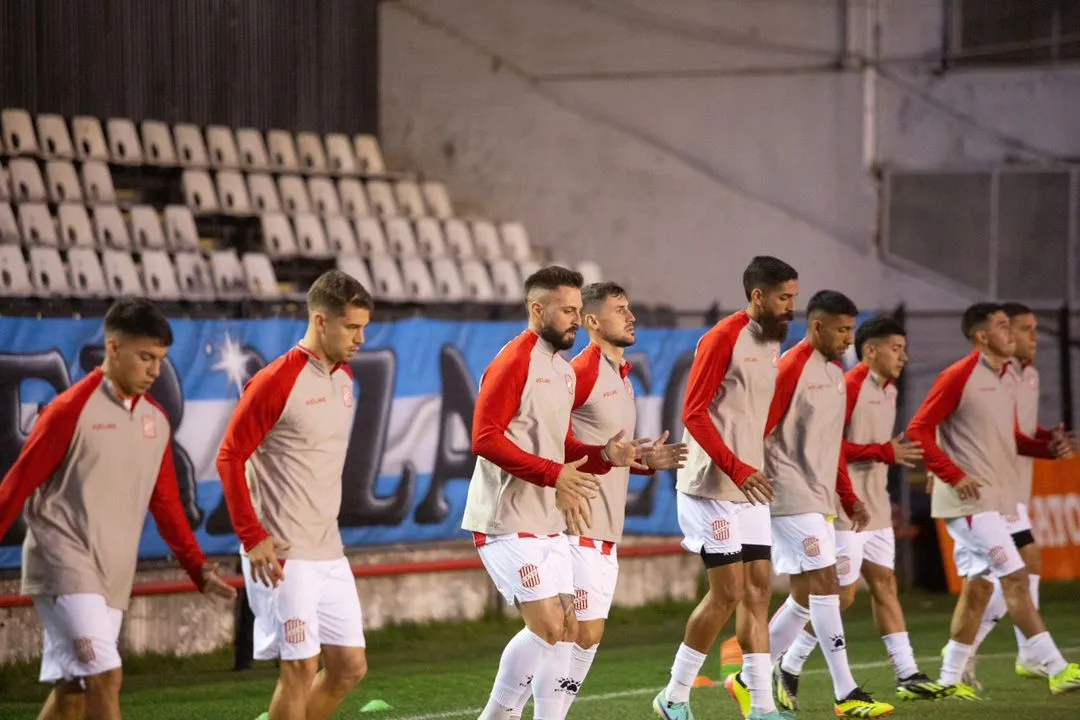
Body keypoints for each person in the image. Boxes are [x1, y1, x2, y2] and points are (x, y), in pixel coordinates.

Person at [0, 298, 235, 720]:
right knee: (106, 677)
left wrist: (197, 568)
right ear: (113, 349)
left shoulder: (156, 420)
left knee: (72, 692)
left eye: (160, 359)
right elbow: (16, 485)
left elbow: (165, 503)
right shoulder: (68, 410)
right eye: (145, 357)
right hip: (63, 564)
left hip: (112, 575)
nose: (155, 370)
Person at [463, 266, 647, 720]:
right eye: (567, 310)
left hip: (545, 519)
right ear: (537, 309)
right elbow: (485, 438)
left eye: (577, 310)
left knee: (566, 628)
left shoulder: (561, 371)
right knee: (547, 626)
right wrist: (552, 474)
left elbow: (561, 443)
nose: (573, 318)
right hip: (503, 518)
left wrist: (607, 453)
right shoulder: (515, 360)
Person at [506, 282, 688, 720]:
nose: (631, 317)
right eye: (620, 310)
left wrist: (643, 460)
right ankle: (509, 712)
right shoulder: (583, 369)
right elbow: (553, 436)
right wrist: (561, 484)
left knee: (585, 636)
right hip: (577, 523)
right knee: (567, 631)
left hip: (606, 527)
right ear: (590, 321)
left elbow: (600, 447)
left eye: (630, 308)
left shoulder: (619, 375)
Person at [216, 270, 373, 720]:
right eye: (352, 327)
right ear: (321, 322)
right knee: (300, 667)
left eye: (364, 327)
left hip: (329, 548)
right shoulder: (274, 380)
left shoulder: (344, 381)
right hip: (284, 552)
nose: (361, 338)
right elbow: (229, 457)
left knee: (348, 668)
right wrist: (252, 536)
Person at [906, 303, 1080, 698]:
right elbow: (918, 430)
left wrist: (1049, 449)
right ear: (983, 336)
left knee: (981, 587)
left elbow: (1013, 438)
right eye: (1005, 326)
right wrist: (951, 474)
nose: (1015, 335)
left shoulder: (1005, 378)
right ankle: (1053, 666)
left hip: (996, 500)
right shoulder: (958, 375)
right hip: (968, 503)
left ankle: (949, 679)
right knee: (1016, 575)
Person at [654, 255, 798, 720]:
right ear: (757, 297)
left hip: (748, 483)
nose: (790, 307)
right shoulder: (722, 337)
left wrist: (759, 459)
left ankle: (760, 706)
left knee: (760, 589)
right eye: (783, 298)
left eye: (793, 298)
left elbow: (759, 411)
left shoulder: (773, 340)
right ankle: (674, 696)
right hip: (710, 485)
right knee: (727, 593)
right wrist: (738, 466)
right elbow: (693, 412)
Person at [771, 316, 944, 702]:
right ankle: (786, 663)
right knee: (838, 595)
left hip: (875, 504)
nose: (904, 357)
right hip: (841, 505)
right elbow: (832, 447)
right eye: (896, 349)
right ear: (871, 351)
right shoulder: (846, 386)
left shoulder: (889, 389)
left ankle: (907, 673)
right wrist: (883, 453)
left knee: (885, 584)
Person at [764, 290, 894, 719]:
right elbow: (761, 428)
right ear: (816, 326)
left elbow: (832, 445)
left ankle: (749, 677)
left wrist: (848, 495)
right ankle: (846, 692)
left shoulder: (837, 372)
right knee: (827, 584)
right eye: (841, 330)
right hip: (788, 490)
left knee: (806, 596)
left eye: (851, 331)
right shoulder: (790, 367)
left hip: (820, 496)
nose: (847, 339)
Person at [960, 302, 1078, 686]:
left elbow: (1020, 430)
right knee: (1017, 568)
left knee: (1016, 572)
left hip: (1014, 487)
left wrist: (1049, 438)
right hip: (989, 488)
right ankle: (969, 652)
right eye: (1022, 329)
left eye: (1031, 329)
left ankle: (1018, 653)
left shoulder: (1029, 376)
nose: (1030, 338)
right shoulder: (994, 375)